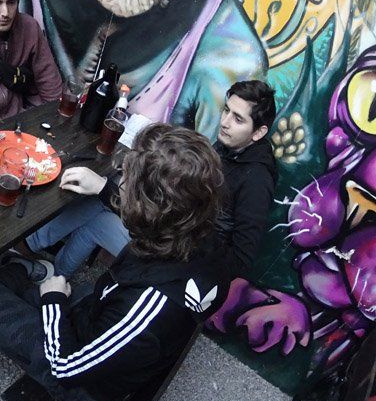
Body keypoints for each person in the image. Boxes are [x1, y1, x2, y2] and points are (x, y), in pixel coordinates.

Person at [0, 124, 229, 401]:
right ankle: (13, 287)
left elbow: (65, 367)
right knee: (0, 281)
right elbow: (154, 217)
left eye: (126, 181)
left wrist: (53, 301)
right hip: (95, 314)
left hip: (77, 377)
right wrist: (103, 188)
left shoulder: (146, 309)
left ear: (149, 209)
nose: (120, 183)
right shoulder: (196, 231)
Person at [21, 80, 278, 278]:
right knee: (100, 211)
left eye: (238, 119)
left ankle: (33, 249)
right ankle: (53, 276)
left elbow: (240, 260)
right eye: (226, 111)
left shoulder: (257, 180)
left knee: (102, 199)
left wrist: (184, 238)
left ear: (259, 132)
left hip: (180, 260)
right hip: (171, 234)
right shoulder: (229, 147)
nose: (225, 122)